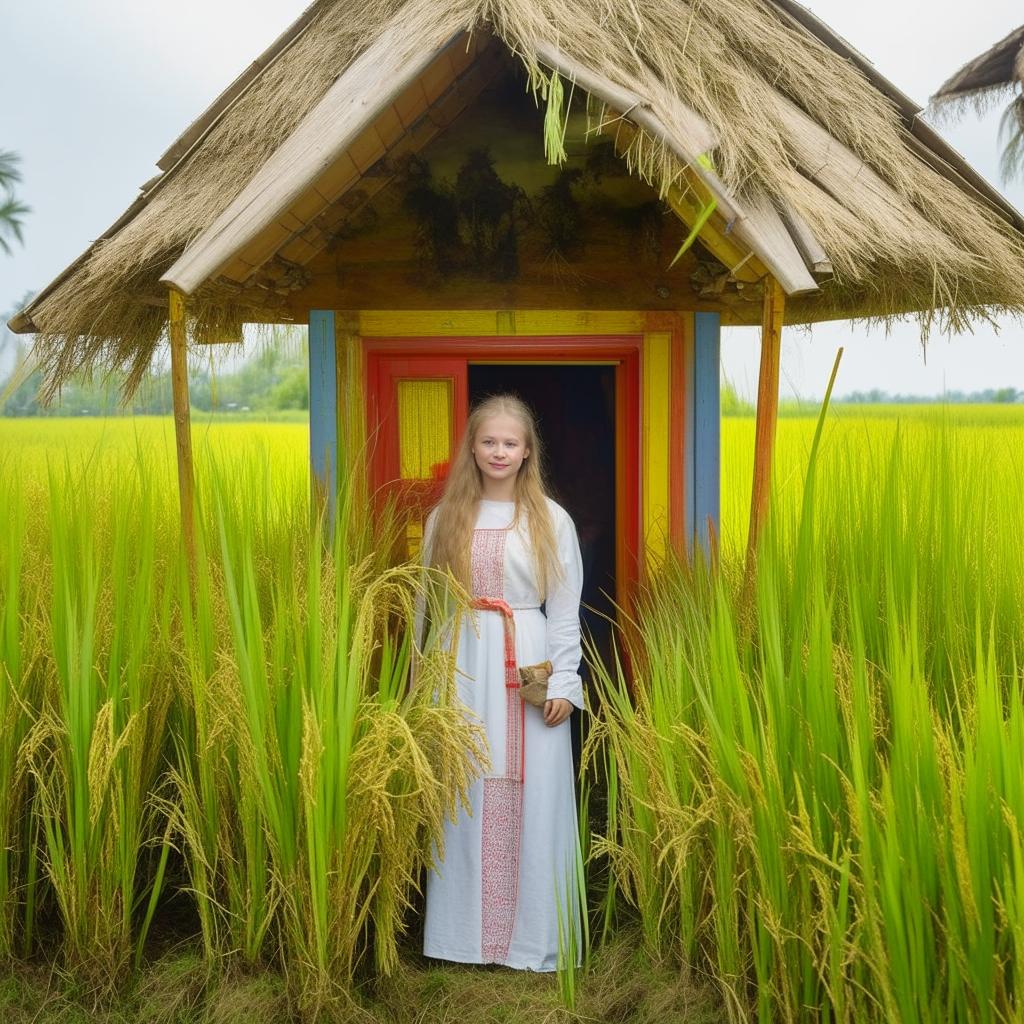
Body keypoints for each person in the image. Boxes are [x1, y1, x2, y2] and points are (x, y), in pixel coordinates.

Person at [415, 393, 585, 971]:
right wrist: (424, 680)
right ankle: (462, 938)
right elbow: (425, 604)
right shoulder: (445, 517)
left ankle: (532, 940)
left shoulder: (550, 518)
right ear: (473, 447)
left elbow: (564, 608)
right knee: (465, 783)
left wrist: (565, 681)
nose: (499, 451)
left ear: (527, 451)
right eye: (488, 441)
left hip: (527, 655)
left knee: (533, 788)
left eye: (510, 442)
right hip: (462, 656)